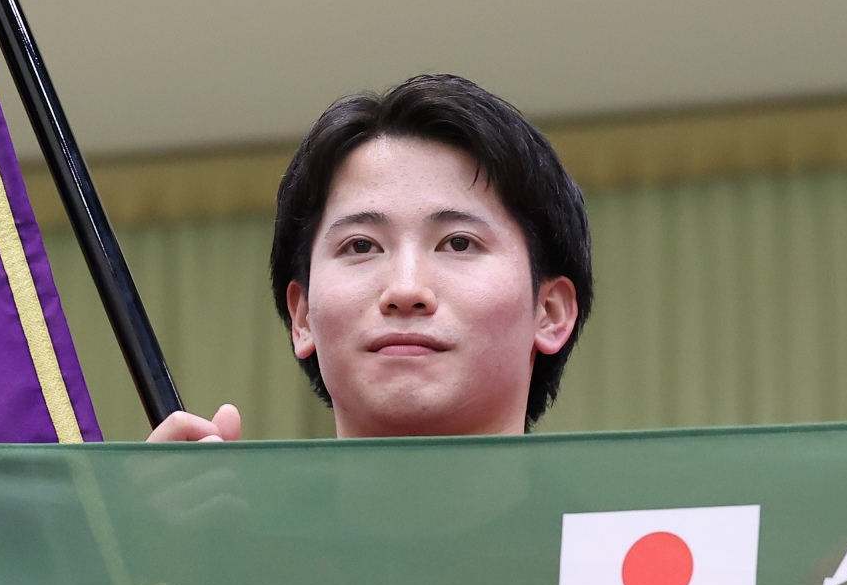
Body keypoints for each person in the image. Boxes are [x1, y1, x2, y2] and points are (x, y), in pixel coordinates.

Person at [150, 74, 591, 441]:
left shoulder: (616, 521)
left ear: (549, 312)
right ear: (303, 317)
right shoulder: (223, 525)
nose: (405, 290)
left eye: (459, 243)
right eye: (361, 246)